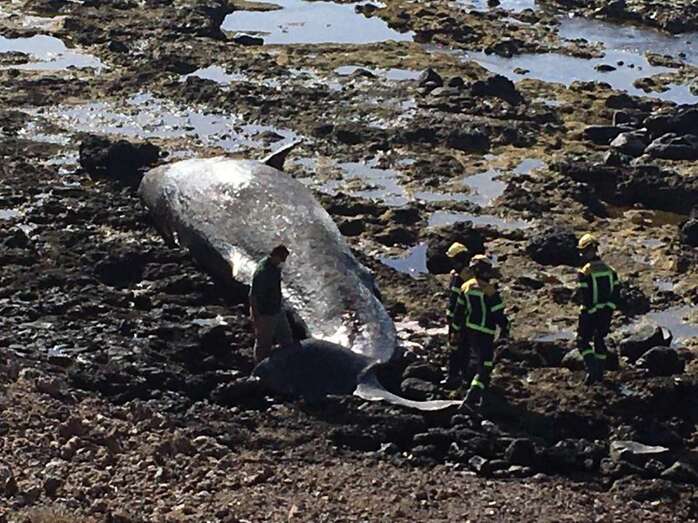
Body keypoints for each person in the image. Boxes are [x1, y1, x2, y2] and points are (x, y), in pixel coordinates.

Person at [451, 255, 509, 409]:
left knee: (477, 361)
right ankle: (471, 398)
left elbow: (458, 311)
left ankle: (483, 397)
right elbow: (499, 314)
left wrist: (455, 330)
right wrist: (505, 329)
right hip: (486, 333)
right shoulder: (489, 291)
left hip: (470, 331)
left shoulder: (466, 287)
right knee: (486, 365)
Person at [575, 233, 620, 385]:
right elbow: (616, 293)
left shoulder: (584, 272)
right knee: (600, 340)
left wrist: (590, 311)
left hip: (589, 313)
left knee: (582, 341)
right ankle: (600, 373)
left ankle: (592, 369)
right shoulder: (610, 270)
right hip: (606, 313)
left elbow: (585, 296)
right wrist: (609, 309)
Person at [249, 245, 294, 363]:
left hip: (277, 309)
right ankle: (260, 367)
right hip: (266, 313)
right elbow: (253, 295)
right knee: (263, 344)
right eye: (282, 258)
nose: (283, 262)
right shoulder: (263, 272)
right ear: (275, 256)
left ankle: (288, 362)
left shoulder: (275, 267)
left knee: (286, 339)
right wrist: (256, 316)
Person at [443, 242, 472, 389]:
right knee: (462, 348)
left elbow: (460, 302)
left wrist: (455, 323)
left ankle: (454, 376)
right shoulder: (460, 275)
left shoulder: (464, 278)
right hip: (458, 318)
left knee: (457, 348)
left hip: (459, 319)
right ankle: (461, 375)